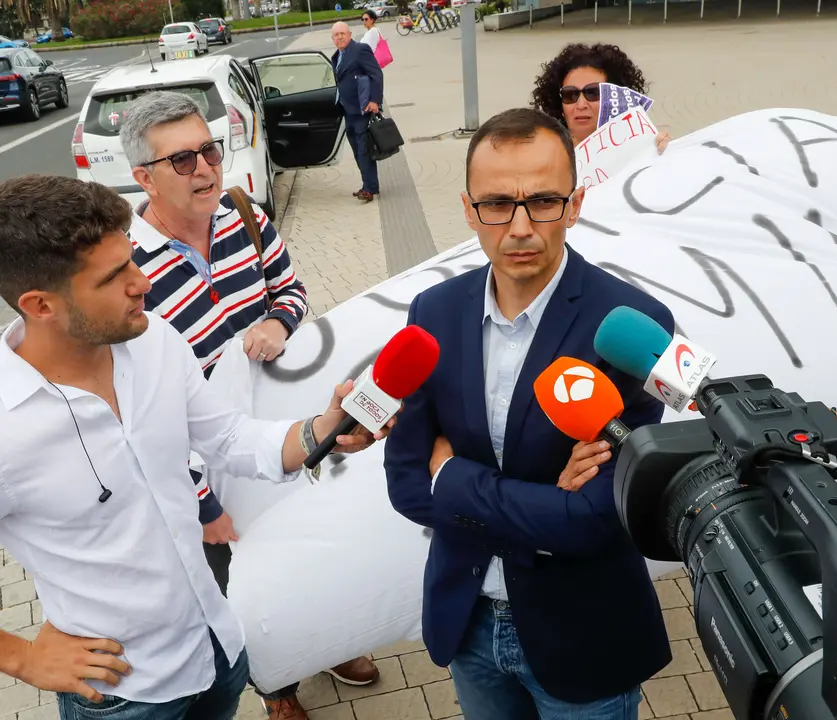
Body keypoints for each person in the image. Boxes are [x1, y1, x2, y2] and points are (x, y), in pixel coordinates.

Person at [0, 174, 385, 719]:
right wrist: (21, 659)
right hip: (122, 695)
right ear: (40, 305)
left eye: (133, 260)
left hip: (218, 649)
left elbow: (227, 437)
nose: (143, 283)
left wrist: (321, 430)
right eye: (116, 277)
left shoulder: (154, 339)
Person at [383, 108, 674, 719]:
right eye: (496, 204)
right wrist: (548, 505)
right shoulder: (432, 314)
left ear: (575, 204)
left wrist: (455, 478)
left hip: (584, 634)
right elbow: (408, 484)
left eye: (543, 200)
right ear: (468, 210)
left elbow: (599, 520)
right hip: (467, 623)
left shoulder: (632, 327)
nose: (520, 227)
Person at [119, 91, 379, 719]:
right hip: (200, 473)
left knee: (306, 548)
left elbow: (292, 289)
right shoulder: (122, 267)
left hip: (277, 435)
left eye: (209, 150)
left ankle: (327, 644)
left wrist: (279, 324)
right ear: (143, 178)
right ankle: (276, 686)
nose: (206, 168)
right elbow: (136, 408)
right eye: (182, 161)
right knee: (241, 583)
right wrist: (203, 505)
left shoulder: (246, 214)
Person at [531, 43, 670, 153]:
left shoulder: (643, 148)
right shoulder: (543, 157)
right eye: (570, 94)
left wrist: (668, 156)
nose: (581, 105)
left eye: (593, 93)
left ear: (616, 97)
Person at [331, 21, 383, 203]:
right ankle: (368, 184)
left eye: (342, 34)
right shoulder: (337, 56)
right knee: (357, 150)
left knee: (363, 150)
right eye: (336, 35)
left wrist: (375, 100)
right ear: (333, 39)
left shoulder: (360, 50)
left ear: (350, 34)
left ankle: (369, 189)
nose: (339, 38)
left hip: (362, 109)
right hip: (348, 110)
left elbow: (376, 74)